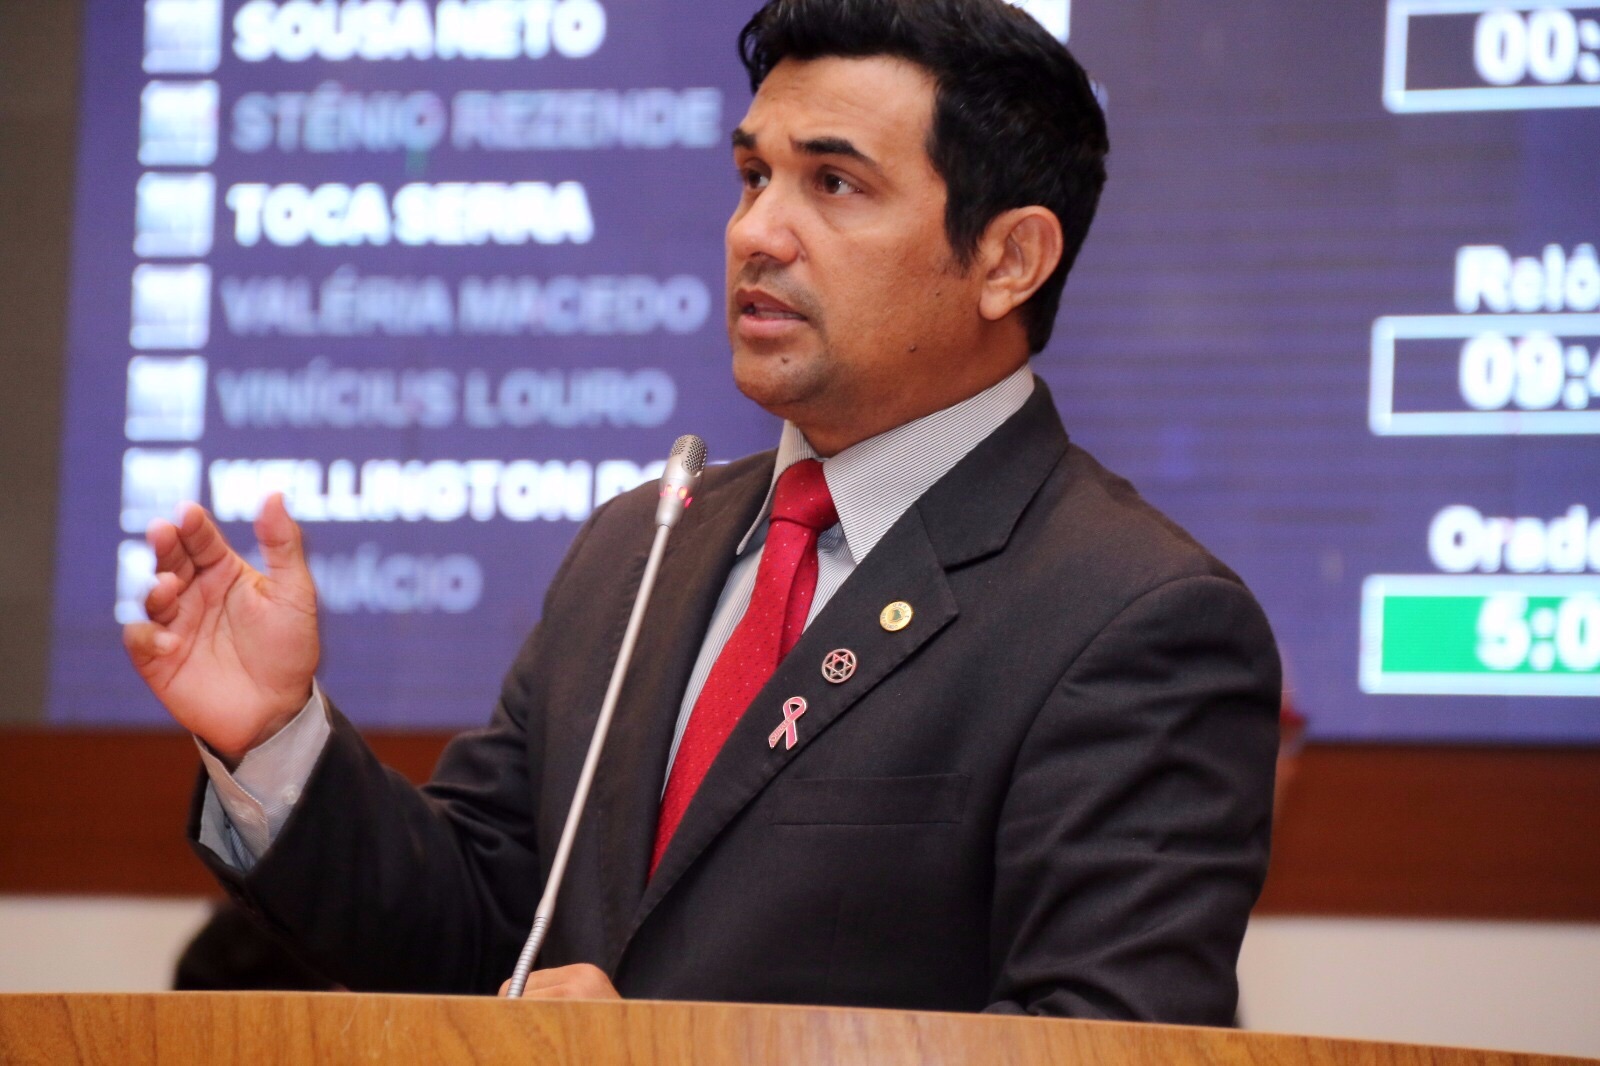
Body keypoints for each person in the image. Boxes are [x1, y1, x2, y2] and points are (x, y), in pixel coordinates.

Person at [124, 0, 1281, 1023]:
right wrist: (273, 739)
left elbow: (1107, 1038)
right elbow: (482, 933)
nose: (756, 233)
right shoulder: (641, 545)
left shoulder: (1133, 615)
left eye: (833, 183)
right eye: (752, 176)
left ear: (1008, 259)